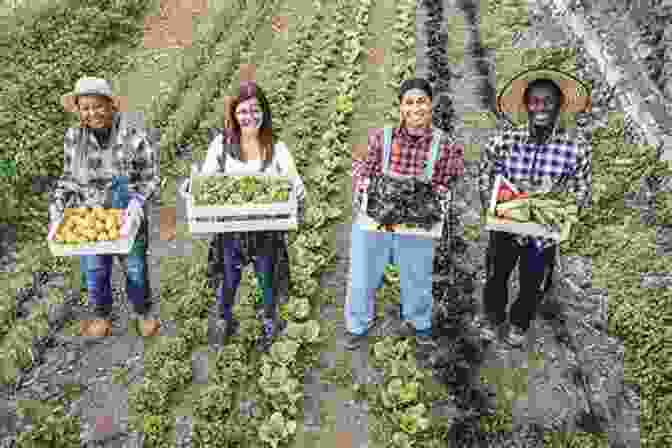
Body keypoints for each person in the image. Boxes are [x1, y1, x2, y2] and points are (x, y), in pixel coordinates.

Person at [346, 78, 465, 351]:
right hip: (376, 219)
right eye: (409, 102)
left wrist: (436, 194)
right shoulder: (382, 137)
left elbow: (452, 177)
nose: (416, 108)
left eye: (421, 101)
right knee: (363, 274)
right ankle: (357, 324)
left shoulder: (444, 145)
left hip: (417, 222)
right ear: (401, 107)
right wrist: (365, 187)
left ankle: (419, 322)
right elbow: (360, 167)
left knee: (417, 275)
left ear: (431, 105)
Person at [476, 71, 592, 347]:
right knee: (496, 274)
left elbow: (582, 187)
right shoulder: (504, 142)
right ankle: (493, 318)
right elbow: (484, 172)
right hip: (506, 225)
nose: (541, 108)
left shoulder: (574, 149)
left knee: (533, 281)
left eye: (548, 102)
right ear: (527, 106)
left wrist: (566, 212)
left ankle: (519, 322)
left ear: (558, 106)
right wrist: (491, 206)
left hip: (543, 231)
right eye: (535, 102)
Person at [49, 77, 161, 337]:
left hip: (127, 215)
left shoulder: (132, 135)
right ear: (78, 111)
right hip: (90, 216)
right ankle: (101, 313)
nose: (92, 113)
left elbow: (150, 176)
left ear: (111, 106)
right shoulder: (74, 137)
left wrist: (137, 201)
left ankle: (143, 311)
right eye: (85, 108)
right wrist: (57, 205)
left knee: (134, 267)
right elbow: (68, 177)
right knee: (95, 270)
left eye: (98, 106)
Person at [201, 81, 305, 352]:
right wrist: (194, 188)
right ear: (234, 115)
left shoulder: (276, 148)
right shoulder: (221, 146)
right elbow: (206, 181)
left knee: (266, 279)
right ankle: (224, 319)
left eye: (256, 110)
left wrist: (292, 195)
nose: (250, 117)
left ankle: (270, 321)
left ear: (264, 112)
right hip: (230, 231)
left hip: (266, 231)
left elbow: (296, 187)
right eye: (243, 111)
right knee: (228, 279)